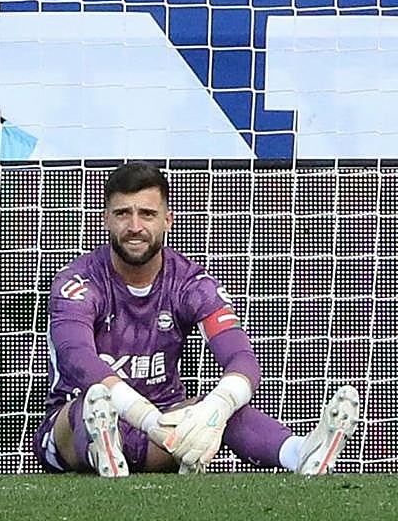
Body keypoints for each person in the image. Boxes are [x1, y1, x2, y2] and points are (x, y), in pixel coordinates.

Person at [33, 161, 361, 477]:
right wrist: (144, 417)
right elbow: (78, 360)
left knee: (222, 411)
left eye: (147, 214)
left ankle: (300, 453)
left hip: (162, 429)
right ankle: (101, 447)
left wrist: (214, 408)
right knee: (91, 406)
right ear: (105, 219)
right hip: (71, 430)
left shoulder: (191, 283)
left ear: (167, 220)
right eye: (123, 214)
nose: (135, 227)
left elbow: (242, 359)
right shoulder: (77, 282)